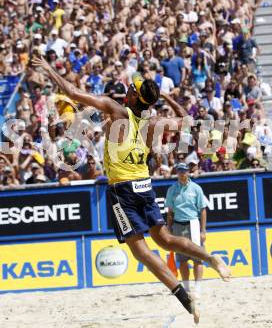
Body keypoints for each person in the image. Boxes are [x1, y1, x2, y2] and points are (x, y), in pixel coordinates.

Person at [31, 56, 231, 324]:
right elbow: (187, 120)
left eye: (132, 89)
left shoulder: (115, 110)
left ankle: (186, 298)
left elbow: (72, 92)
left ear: (135, 98)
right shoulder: (152, 121)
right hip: (144, 185)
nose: (128, 89)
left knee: (142, 251)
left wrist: (47, 69)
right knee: (166, 240)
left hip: (123, 190)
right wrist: (167, 99)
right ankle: (211, 258)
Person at [165, 163, 207, 299]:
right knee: (182, 259)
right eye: (180, 171)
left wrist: (203, 230)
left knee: (198, 258)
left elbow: (202, 210)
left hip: (193, 224)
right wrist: (168, 229)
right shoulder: (172, 190)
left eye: (184, 171)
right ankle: (188, 289)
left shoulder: (196, 188)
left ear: (188, 172)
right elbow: (170, 212)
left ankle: (198, 288)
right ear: (177, 172)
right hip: (177, 225)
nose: (182, 173)